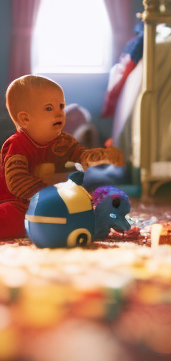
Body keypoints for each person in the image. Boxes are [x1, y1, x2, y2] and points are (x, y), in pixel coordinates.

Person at [0, 75, 125, 240]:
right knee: (14, 222)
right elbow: (17, 180)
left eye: (61, 106)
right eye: (49, 108)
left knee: (80, 212)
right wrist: (50, 197)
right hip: (16, 201)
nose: (60, 113)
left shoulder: (63, 141)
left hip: (47, 199)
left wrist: (103, 156)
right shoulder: (17, 144)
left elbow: (81, 156)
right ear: (25, 119)